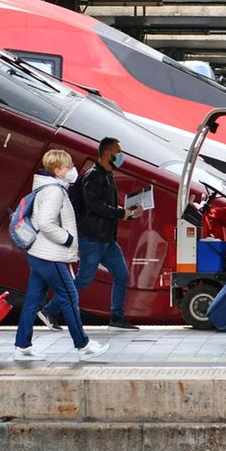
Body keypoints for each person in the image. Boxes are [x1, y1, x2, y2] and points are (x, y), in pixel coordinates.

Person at [14, 150, 110, 362]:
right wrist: (67, 239)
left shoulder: (45, 188)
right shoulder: (54, 192)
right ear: (57, 170)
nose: (72, 170)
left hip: (38, 253)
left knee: (33, 299)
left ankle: (22, 346)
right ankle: (83, 345)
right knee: (69, 296)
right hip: (51, 255)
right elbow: (46, 223)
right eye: (68, 167)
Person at [71, 137, 143, 330]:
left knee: (122, 274)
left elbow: (107, 207)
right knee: (84, 279)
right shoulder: (93, 175)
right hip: (92, 239)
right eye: (118, 153)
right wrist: (121, 213)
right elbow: (93, 205)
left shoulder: (108, 175)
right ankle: (51, 310)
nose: (121, 157)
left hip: (108, 240)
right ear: (106, 154)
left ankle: (117, 317)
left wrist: (129, 213)